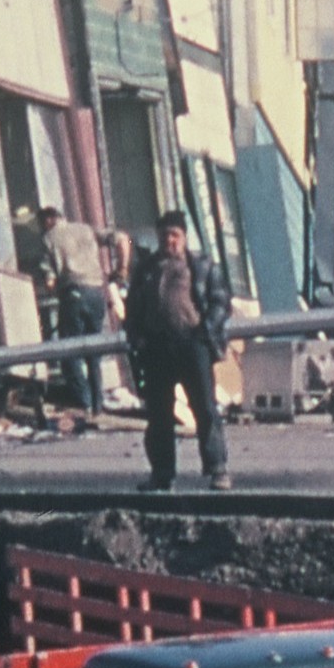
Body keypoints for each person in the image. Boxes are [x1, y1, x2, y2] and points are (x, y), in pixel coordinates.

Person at [124, 210, 233, 491]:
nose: (169, 241)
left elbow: (221, 302)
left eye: (174, 235)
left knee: (205, 409)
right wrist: (137, 338)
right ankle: (162, 474)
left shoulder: (203, 266)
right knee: (159, 414)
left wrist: (206, 330)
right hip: (156, 347)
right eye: (164, 236)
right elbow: (132, 309)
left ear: (184, 238)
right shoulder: (146, 270)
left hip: (192, 344)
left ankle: (217, 469)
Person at [33, 205, 110, 411]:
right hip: (96, 293)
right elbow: (121, 239)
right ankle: (98, 404)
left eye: (41, 223)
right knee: (94, 352)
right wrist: (121, 270)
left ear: (49, 220)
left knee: (70, 351)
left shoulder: (49, 238)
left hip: (73, 294)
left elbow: (49, 279)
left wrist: (52, 290)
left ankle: (82, 403)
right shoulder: (86, 229)